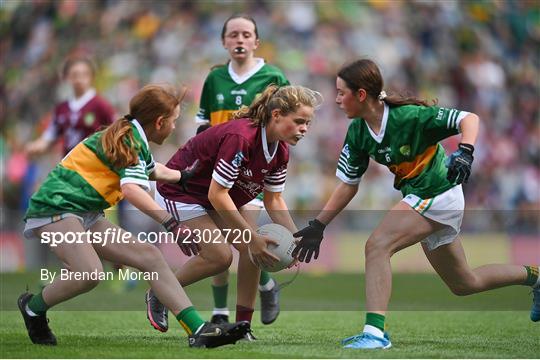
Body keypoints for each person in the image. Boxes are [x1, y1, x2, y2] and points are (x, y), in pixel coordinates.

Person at [292, 59, 540, 349]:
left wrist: (465, 152)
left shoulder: (410, 117)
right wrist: (319, 224)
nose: (336, 100)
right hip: (423, 199)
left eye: (340, 92)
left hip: (439, 194)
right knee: (464, 283)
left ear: (361, 95)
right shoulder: (358, 132)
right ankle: (535, 277)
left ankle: (374, 334)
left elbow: (469, 119)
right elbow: (348, 185)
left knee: (377, 245)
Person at [19, 84, 250, 348]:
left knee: (150, 256)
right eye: (174, 121)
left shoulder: (131, 135)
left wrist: (183, 176)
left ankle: (199, 330)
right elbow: (131, 189)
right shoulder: (129, 139)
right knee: (89, 273)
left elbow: (152, 170)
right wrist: (172, 223)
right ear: (160, 122)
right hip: (55, 208)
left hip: (84, 212)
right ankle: (33, 308)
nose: (175, 127)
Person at [145, 84, 322, 339]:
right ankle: (159, 291)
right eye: (299, 121)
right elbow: (216, 194)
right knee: (220, 256)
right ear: (276, 115)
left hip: (212, 196)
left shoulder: (281, 151)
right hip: (181, 192)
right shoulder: (242, 138)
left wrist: (296, 239)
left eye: (308, 123)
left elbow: (274, 200)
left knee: (253, 251)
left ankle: (243, 328)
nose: (304, 129)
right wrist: (252, 237)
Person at [193, 14, 290, 327]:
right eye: (233, 34)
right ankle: (221, 312)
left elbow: (286, 124)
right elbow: (202, 124)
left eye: (246, 34)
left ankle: (259, 291)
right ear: (223, 42)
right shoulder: (214, 79)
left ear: (256, 42)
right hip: (218, 172)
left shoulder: (273, 76)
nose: (240, 40)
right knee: (220, 247)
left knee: (246, 243)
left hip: (250, 176)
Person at [26, 57, 115, 157]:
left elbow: (115, 133)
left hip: (93, 164)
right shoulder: (61, 108)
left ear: (92, 76)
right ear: (67, 77)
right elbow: (50, 135)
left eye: (84, 74)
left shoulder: (101, 105)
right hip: (69, 164)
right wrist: (36, 146)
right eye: (75, 75)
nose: (79, 79)